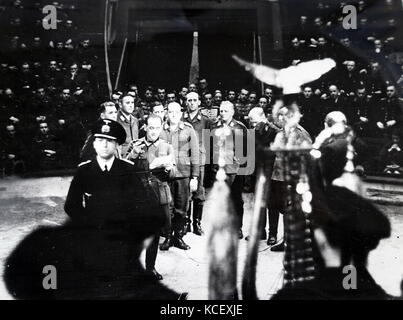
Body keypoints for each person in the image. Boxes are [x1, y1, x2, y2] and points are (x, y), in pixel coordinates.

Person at [4, 119, 183, 300]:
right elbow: (71, 205)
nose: (104, 145)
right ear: (94, 143)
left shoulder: (128, 170)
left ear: (116, 145)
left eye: (110, 141)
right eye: (99, 140)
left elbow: (141, 202)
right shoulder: (84, 171)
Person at [127, 114, 176, 279]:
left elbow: (175, 173)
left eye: (157, 128)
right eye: (151, 127)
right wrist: (133, 154)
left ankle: (150, 268)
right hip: (138, 196)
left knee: (155, 233)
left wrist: (169, 169)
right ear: (145, 127)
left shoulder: (167, 146)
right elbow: (125, 168)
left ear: (161, 128)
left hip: (158, 194)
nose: (154, 131)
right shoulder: (136, 145)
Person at [270, 103, 312, 251]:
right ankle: (287, 241)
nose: (280, 118)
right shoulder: (282, 132)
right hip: (280, 177)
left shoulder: (300, 134)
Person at [160, 102, 199, 250]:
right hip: (165, 175)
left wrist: (195, 177)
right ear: (167, 113)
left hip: (183, 174)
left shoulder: (188, 130)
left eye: (177, 112)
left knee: (181, 208)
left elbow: (195, 154)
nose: (174, 115)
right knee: (167, 208)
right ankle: (168, 237)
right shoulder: (161, 130)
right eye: (171, 112)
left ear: (181, 113)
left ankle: (178, 237)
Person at [211, 101, 248, 239]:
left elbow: (247, 149)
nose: (223, 113)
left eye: (226, 111)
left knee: (236, 199)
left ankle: (237, 227)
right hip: (220, 169)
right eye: (221, 111)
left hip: (236, 169)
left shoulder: (240, 127)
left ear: (232, 112)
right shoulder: (215, 127)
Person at [245, 107, 281, 244]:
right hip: (257, 172)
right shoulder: (253, 131)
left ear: (262, 118)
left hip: (271, 173)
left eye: (254, 121)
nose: (252, 125)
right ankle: (260, 232)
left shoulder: (274, 131)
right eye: (251, 122)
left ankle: (273, 234)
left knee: (272, 204)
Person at [182, 92, 212, 235]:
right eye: (189, 100)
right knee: (185, 191)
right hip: (183, 159)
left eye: (194, 100)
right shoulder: (181, 118)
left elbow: (209, 142)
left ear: (199, 102)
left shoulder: (205, 121)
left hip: (199, 160)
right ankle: (185, 223)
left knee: (199, 192)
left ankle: (197, 223)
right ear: (186, 102)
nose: (192, 103)